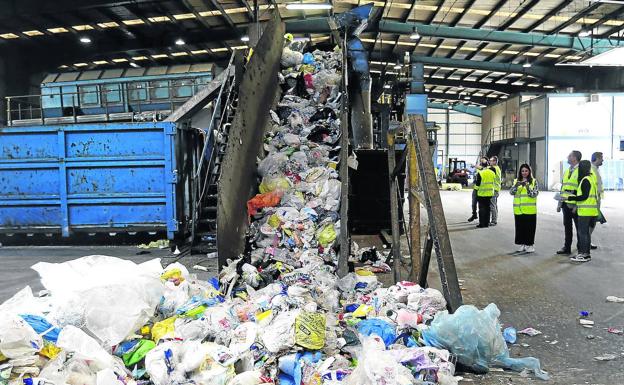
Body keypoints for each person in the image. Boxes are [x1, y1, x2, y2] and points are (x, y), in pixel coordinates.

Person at [563, 160, 598, 262]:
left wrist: (570, 198)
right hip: (592, 210)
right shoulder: (591, 178)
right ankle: (585, 254)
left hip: (585, 212)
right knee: (586, 233)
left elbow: (584, 196)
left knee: (583, 233)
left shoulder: (585, 180)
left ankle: (585, 254)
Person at [556, 150, 582, 255]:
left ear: (575, 158)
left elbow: (581, 190)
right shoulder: (567, 171)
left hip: (575, 204)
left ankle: (581, 248)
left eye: (570, 155)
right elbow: (563, 188)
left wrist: (577, 205)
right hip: (565, 203)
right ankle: (567, 247)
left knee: (579, 227)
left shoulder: (581, 171)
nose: (568, 157)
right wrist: (559, 204)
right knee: (567, 226)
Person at [510, 164, 539, 253]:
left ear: (529, 172)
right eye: (522, 171)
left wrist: (527, 187)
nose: (524, 173)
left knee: (529, 228)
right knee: (520, 228)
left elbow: (534, 194)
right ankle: (522, 244)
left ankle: (530, 245)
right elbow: (511, 192)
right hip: (518, 209)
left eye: (526, 171)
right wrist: (516, 186)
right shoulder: (516, 181)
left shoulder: (534, 181)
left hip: (529, 210)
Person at [590, 152, 604, 250]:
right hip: (591, 201)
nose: (603, 160)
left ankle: (587, 240)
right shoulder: (591, 170)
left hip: (596, 199)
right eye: (601, 158)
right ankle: (585, 241)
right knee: (590, 221)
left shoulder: (596, 169)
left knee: (593, 221)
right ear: (596, 158)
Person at [475, 162, 496, 228]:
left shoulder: (480, 173)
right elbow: (493, 182)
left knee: (481, 209)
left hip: (481, 194)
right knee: (487, 209)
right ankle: (486, 223)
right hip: (489, 194)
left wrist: (475, 191)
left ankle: (481, 224)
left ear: (482, 166)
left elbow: (477, 184)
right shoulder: (492, 173)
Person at [467, 157, 489, 222]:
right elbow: (477, 169)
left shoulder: (488, 168)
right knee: (473, 203)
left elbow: (482, 168)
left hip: (483, 189)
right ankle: (474, 214)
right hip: (476, 188)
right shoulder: (479, 167)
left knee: (482, 205)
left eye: (483, 160)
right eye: (481, 160)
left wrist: (475, 165)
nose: (482, 161)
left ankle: (483, 219)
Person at [489, 156, 502, 226]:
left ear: (495, 161)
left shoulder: (494, 168)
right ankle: (495, 219)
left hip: (494, 189)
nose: (490, 162)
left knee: (492, 206)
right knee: (495, 205)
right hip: (496, 189)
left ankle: (494, 221)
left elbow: (485, 170)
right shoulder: (498, 168)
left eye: (491, 161)